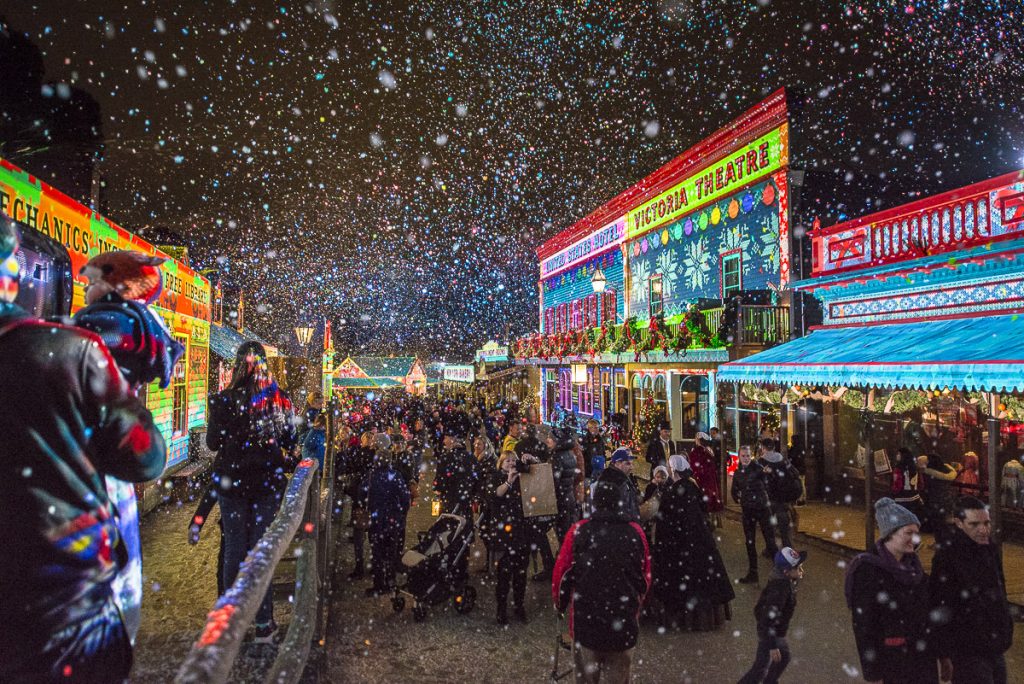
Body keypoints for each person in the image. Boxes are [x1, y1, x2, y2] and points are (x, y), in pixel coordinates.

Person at [0, 219, 167, 682]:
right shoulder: (71, 349)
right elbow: (146, 456)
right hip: (60, 605)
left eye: (90, 281)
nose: (84, 290)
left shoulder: (92, 332)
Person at [206, 340, 297, 642]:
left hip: (232, 482)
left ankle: (231, 620)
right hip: (266, 483)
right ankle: (263, 622)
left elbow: (212, 444)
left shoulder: (223, 400)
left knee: (234, 548)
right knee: (260, 551)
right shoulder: (278, 400)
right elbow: (289, 438)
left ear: (236, 365)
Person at [552, 477, 651, 684]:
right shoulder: (635, 532)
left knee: (586, 678)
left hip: (587, 622)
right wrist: (636, 602)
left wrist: (560, 603)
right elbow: (645, 575)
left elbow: (562, 574)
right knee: (619, 678)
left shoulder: (579, 531)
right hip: (623, 623)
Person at [845, 498, 938, 684]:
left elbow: (928, 612)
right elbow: (864, 624)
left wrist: (942, 654)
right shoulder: (868, 570)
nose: (915, 539)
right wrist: (873, 673)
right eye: (908, 533)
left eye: (916, 533)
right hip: (894, 661)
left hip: (923, 658)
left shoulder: (914, 568)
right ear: (890, 534)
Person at [929, 497, 1013, 684]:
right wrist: (943, 654)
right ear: (959, 523)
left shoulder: (989, 549)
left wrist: (1005, 627)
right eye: (974, 524)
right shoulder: (947, 557)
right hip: (967, 649)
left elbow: (1000, 591)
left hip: (994, 643)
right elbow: (939, 604)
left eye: (986, 523)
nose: (983, 530)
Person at [653, 454, 734, 631]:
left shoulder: (672, 493)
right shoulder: (693, 487)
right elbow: (703, 510)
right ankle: (705, 618)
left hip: (679, 544)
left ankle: (684, 618)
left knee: (683, 582)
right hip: (700, 541)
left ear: (674, 470)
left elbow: (665, 521)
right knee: (703, 580)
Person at [738, 548, 807, 684]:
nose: (802, 571)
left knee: (783, 657)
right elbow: (766, 618)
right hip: (770, 632)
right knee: (760, 669)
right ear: (786, 572)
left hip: (775, 631)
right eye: (798, 568)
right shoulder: (780, 589)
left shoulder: (784, 582)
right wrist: (772, 644)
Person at [364, 434, 411, 597]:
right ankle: (390, 581)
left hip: (377, 519)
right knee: (390, 552)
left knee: (377, 553)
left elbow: (364, 494)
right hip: (392, 519)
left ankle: (379, 584)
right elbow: (405, 497)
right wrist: (401, 512)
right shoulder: (396, 476)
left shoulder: (372, 475)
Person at [488, 451, 532, 625]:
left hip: (521, 532)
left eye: (514, 460)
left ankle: (519, 606)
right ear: (501, 464)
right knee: (504, 575)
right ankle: (501, 609)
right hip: (504, 535)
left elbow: (540, 474)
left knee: (521, 574)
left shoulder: (522, 477)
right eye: (507, 461)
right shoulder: (495, 477)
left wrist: (532, 460)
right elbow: (495, 495)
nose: (511, 463)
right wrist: (509, 481)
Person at [732, 445, 777, 584]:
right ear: (739, 456)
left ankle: (782, 574)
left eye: (748, 455)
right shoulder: (738, 472)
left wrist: (769, 474)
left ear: (751, 455)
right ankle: (753, 573)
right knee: (750, 542)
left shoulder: (758, 468)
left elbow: (770, 481)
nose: (745, 458)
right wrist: (737, 496)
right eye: (743, 456)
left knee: (770, 541)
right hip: (748, 510)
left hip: (762, 508)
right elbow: (734, 489)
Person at [760, 438, 800, 551]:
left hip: (770, 497)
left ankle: (771, 549)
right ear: (773, 447)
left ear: (763, 448)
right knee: (784, 526)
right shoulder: (783, 460)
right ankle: (787, 549)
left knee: (768, 526)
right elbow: (795, 473)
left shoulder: (761, 462)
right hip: (784, 498)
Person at [433, 426, 479, 515]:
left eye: (446, 438)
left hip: (449, 501)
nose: (444, 441)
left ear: (452, 439)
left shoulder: (445, 458)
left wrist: (436, 487)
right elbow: (477, 480)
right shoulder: (471, 457)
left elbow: (440, 483)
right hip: (466, 502)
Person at [547, 427, 582, 542]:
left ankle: (565, 551)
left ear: (556, 441)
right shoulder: (568, 453)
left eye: (550, 438)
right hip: (569, 496)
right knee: (569, 530)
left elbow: (553, 481)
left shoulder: (557, 457)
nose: (547, 440)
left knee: (562, 532)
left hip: (561, 500)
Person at [596, 447, 642, 522]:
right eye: (628, 464)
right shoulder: (615, 482)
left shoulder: (625, 478)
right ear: (617, 463)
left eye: (632, 463)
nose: (632, 467)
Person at [688, 431, 724, 528]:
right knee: (711, 498)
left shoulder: (696, 452)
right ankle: (712, 521)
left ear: (698, 440)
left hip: (701, 480)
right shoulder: (709, 450)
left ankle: (705, 522)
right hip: (711, 479)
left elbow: (693, 466)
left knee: (702, 500)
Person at [919, 453, 957, 540]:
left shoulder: (928, 473)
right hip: (947, 500)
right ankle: (948, 540)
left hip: (935, 502)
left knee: (938, 524)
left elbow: (927, 488)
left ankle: (940, 540)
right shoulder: (947, 470)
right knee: (946, 523)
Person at [891, 447, 925, 522]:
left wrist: (892, 491)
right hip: (915, 500)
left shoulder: (898, 469)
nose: (897, 455)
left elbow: (898, 486)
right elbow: (921, 484)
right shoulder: (915, 468)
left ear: (903, 456)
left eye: (899, 454)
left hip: (902, 500)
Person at [581, 418, 607, 484]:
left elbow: (603, 452)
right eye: (595, 428)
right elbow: (582, 455)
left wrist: (603, 461)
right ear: (590, 429)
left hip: (599, 470)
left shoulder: (600, 440)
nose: (597, 429)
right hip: (589, 471)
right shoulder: (585, 440)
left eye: (597, 427)